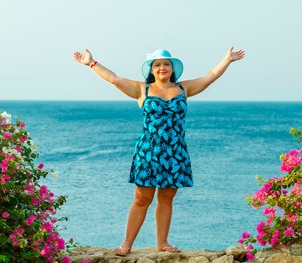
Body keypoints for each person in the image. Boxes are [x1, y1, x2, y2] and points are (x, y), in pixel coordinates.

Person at [72, 47, 245, 256]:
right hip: (148, 152)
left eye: (166, 64)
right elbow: (114, 79)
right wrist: (91, 63)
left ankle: (162, 243)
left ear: (172, 68)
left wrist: (227, 59)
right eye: (157, 64)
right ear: (151, 70)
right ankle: (126, 243)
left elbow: (210, 77)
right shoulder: (141, 89)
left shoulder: (184, 89)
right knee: (142, 198)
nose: (162, 67)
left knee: (166, 199)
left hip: (175, 152)